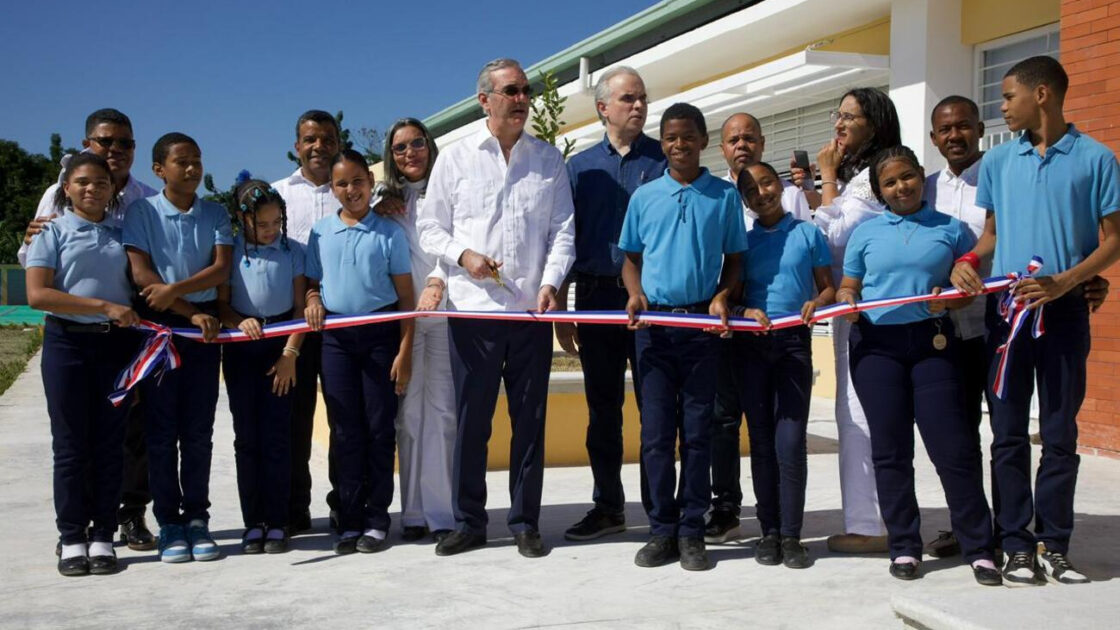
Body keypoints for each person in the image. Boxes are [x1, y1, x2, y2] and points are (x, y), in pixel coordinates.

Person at [951, 56, 1120, 586]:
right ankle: (1016, 544)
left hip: (1064, 312)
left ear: (1041, 94)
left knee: (1060, 431)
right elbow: (992, 235)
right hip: (1007, 313)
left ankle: (1056, 544)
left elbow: (1114, 240)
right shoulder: (999, 162)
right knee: (1006, 433)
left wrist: (1067, 282)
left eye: (1008, 96)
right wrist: (967, 260)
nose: (1002, 107)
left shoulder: (1097, 159)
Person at [418, 58, 575, 559]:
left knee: (530, 421)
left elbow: (562, 233)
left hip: (530, 313)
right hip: (474, 313)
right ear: (484, 100)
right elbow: (430, 227)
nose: (522, 99)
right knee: (472, 422)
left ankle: (525, 522)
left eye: (526, 90)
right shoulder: (456, 159)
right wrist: (463, 256)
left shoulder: (548, 160)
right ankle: (469, 522)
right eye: (512, 90)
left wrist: (551, 283)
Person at [839, 145, 1000, 586]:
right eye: (889, 183)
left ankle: (979, 548)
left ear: (919, 176)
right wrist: (847, 298)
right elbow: (849, 285)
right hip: (876, 348)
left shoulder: (952, 229)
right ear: (880, 191)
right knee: (891, 451)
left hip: (934, 343)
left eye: (907, 177)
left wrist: (953, 296)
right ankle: (905, 546)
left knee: (953, 448)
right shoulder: (866, 234)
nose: (901, 187)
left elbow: (968, 287)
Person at [20, 108, 158, 552]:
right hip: (69, 341)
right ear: (67, 187)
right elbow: (37, 289)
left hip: (119, 343)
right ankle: (72, 535)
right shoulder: (53, 223)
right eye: (82, 182)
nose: (92, 188)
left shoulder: (132, 219)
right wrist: (101, 306)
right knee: (72, 445)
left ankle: (109, 530)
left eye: (124, 143)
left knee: (116, 441)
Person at [619, 102, 747, 571]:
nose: (679, 145)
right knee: (655, 436)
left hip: (701, 330)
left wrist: (722, 296)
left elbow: (735, 260)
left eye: (688, 136)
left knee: (697, 434)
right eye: (671, 137)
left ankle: (692, 531)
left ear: (703, 141)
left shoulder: (724, 196)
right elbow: (630, 258)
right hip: (654, 331)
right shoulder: (644, 196)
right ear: (663, 142)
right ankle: (662, 530)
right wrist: (635, 294)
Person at [558, 66, 665, 541]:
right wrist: (564, 309)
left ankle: (661, 511)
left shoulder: (663, 160)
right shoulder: (579, 168)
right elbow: (565, 237)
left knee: (656, 408)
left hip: (652, 302)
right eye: (628, 99)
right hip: (596, 299)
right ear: (603, 107)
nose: (639, 105)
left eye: (642, 98)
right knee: (603, 410)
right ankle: (607, 507)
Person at [122, 132, 232, 563]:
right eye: (182, 161)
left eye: (197, 160)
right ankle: (169, 521)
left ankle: (198, 518)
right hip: (161, 329)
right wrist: (184, 308)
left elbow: (220, 268)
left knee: (198, 432)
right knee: (161, 431)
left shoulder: (216, 212)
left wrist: (177, 294)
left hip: (203, 331)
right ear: (158, 169)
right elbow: (141, 275)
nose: (192, 169)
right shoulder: (142, 211)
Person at [706, 111, 814, 542]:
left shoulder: (794, 199)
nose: (742, 145)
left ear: (763, 143)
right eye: (734, 140)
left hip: (783, 336)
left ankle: (783, 524)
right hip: (730, 323)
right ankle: (726, 506)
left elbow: (807, 259)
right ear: (723, 149)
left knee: (779, 432)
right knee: (724, 419)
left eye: (749, 138)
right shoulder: (717, 195)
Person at [304, 150, 415, 555]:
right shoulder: (320, 233)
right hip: (336, 340)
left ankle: (376, 519)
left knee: (379, 429)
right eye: (341, 184)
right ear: (332, 189)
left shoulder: (389, 233)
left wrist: (405, 352)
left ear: (370, 181)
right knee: (345, 430)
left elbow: (406, 299)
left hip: (380, 336)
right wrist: (313, 298)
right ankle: (349, 519)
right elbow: (312, 283)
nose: (351, 190)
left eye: (357, 181)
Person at [808, 87, 901, 553]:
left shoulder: (871, 178)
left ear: (874, 124)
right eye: (837, 114)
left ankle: (869, 525)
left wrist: (826, 179)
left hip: (867, 310)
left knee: (858, 416)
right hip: (857, 309)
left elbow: (834, 237)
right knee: (861, 415)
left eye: (849, 116)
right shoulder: (859, 177)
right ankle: (877, 519)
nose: (839, 124)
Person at [732, 161, 834, 568]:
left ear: (781, 185)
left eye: (767, 183)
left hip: (793, 346)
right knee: (760, 442)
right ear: (745, 201)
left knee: (790, 443)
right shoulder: (742, 243)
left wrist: (816, 303)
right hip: (751, 347)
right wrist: (744, 311)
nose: (762, 194)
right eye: (751, 190)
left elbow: (828, 289)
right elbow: (731, 298)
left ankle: (792, 534)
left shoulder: (808, 233)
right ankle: (769, 532)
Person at [217, 176, 306, 555]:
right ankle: (254, 522)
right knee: (247, 439)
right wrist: (238, 322)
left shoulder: (293, 251)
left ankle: (279, 521)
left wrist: (290, 354)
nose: (271, 231)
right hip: (241, 349)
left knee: (277, 438)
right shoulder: (229, 252)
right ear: (242, 219)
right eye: (262, 224)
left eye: (276, 223)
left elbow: (301, 308)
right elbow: (221, 304)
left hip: (280, 349)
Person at [382, 118, 456, 542]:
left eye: (416, 143)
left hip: (447, 315)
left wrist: (437, 283)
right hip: (405, 321)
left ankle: (443, 513)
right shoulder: (386, 202)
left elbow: (455, 244)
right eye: (400, 148)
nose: (410, 153)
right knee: (409, 416)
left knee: (443, 413)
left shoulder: (452, 189)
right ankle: (412, 512)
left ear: (429, 145)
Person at [271, 110, 341, 534]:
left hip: (343, 323)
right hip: (293, 323)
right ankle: (295, 507)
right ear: (297, 146)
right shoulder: (277, 194)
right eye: (310, 139)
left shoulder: (352, 190)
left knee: (344, 419)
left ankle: (343, 504)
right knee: (294, 420)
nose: (319, 146)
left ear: (338, 143)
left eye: (327, 139)